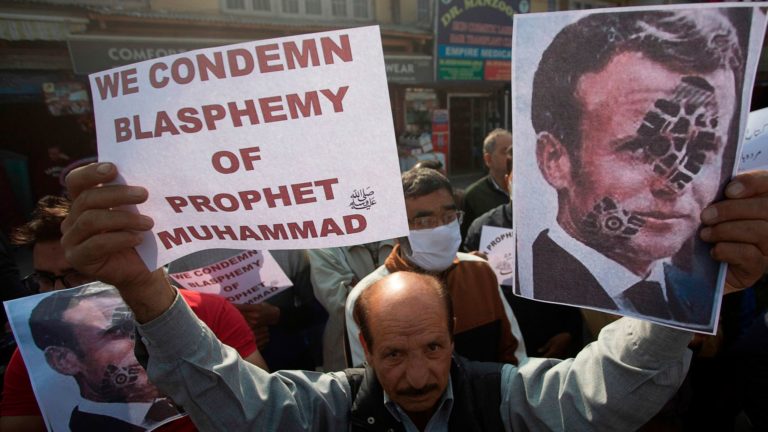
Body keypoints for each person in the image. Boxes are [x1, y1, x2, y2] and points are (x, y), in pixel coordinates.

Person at [58, 162, 767, 431]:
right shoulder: (329, 409)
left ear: (452, 338)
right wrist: (145, 289)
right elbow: (232, 399)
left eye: (433, 347)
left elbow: (604, 392)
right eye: (395, 354)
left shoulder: (505, 399)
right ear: (362, 349)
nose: (421, 374)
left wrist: (686, 290)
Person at [526, 9, 747, 326]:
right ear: (554, 160)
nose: (674, 182)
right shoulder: (523, 291)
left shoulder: (695, 294)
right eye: (643, 147)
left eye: (701, 150)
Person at [0, 195, 265, 432]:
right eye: (44, 278)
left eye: (77, 275)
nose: (59, 291)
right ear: (61, 360)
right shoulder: (34, 356)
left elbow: (260, 407)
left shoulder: (208, 311)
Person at [345, 167, 526, 367]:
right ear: (397, 230)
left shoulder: (481, 272)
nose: (441, 229)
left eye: (449, 217)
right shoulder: (366, 297)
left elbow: (515, 357)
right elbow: (367, 377)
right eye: (425, 221)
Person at [464, 147, 583, 359]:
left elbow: (579, 284)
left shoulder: (567, 227)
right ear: (507, 181)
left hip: (554, 344)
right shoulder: (483, 227)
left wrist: (569, 331)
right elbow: (471, 291)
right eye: (521, 177)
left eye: (535, 179)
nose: (528, 185)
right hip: (502, 349)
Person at [170, 248, 327, 371]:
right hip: (224, 374)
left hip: (293, 365)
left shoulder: (284, 245)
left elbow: (321, 312)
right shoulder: (182, 259)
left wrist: (278, 316)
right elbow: (175, 328)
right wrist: (230, 339)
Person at [308, 241, 395, 371]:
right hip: (343, 356)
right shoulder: (323, 243)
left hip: (403, 349)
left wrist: (358, 289)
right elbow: (341, 303)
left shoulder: (405, 237)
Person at [460, 129, 512, 239]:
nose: (511, 156)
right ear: (488, 159)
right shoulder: (473, 196)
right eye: (505, 152)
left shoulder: (527, 192)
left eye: (513, 151)